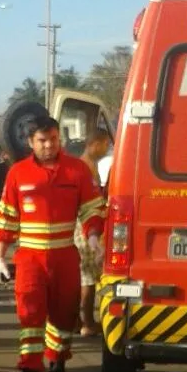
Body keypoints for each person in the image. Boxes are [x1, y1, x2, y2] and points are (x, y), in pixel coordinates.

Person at [0, 116, 105, 372]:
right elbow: (7, 217)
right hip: (29, 258)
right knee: (30, 318)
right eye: (42, 141)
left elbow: (92, 208)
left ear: (60, 139)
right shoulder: (18, 174)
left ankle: (57, 365)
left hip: (65, 255)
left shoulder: (76, 170)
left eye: (53, 139)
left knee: (64, 317)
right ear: (31, 142)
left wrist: (94, 236)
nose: (48, 145)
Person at [74, 129, 110, 337]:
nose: (107, 149)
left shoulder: (89, 166)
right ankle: (87, 322)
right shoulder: (84, 167)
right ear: (95, 143)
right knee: (87, 279)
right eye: (105, 144)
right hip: (85, 228)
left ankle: (79, 320)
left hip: (89, 227)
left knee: (87, 277)